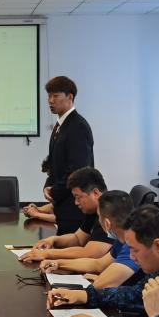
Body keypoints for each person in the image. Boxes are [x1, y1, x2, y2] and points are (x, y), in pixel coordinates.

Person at [47, 204, 159, 317]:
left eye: (135, 250)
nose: (131, 257)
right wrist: (84, 295)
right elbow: (135, 295)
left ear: (158, 246)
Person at [38, 188, 135, 279]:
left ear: (107, 224)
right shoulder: (121, 241)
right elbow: (98, 265)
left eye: (99, 217)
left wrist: (98, 282)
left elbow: (100, 283)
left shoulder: (131, 246)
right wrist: (57, 263)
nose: (76, 202)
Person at [21, 167, 112, 264]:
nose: (76, 203)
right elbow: (78, 239)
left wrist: (46, 254)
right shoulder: (93, 211)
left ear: (95, 193)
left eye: (78, 197)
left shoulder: (110, 211)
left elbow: (90, 253)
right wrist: (53, 240)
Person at [43, 75, 95, 234]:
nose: (50, 101)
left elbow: (77, 170)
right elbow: (54, 162)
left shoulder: (78, 126)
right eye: (49, 96)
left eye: (55, 96)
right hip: (63, 205)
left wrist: (54, 191)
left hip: (74, 206)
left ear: (70, 97)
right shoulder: (60, 125)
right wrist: (48, 186)